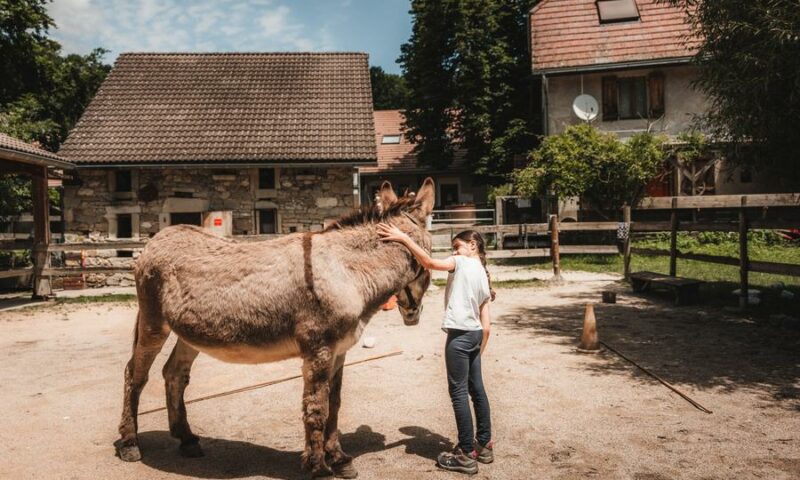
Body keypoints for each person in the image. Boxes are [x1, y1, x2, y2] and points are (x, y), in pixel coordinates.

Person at [377, 225, 495, 475]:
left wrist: (403, 238)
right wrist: (477, 350)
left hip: (460, 335)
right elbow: (487, 327)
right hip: (474, 335)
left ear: (472, 245)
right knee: (477, 389)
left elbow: (428, 262)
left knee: (459, 392)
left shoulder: (462, 262)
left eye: (457, 246)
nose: (454, 252)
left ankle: (465, 453)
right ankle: (484, 445)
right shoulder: (483, 274)